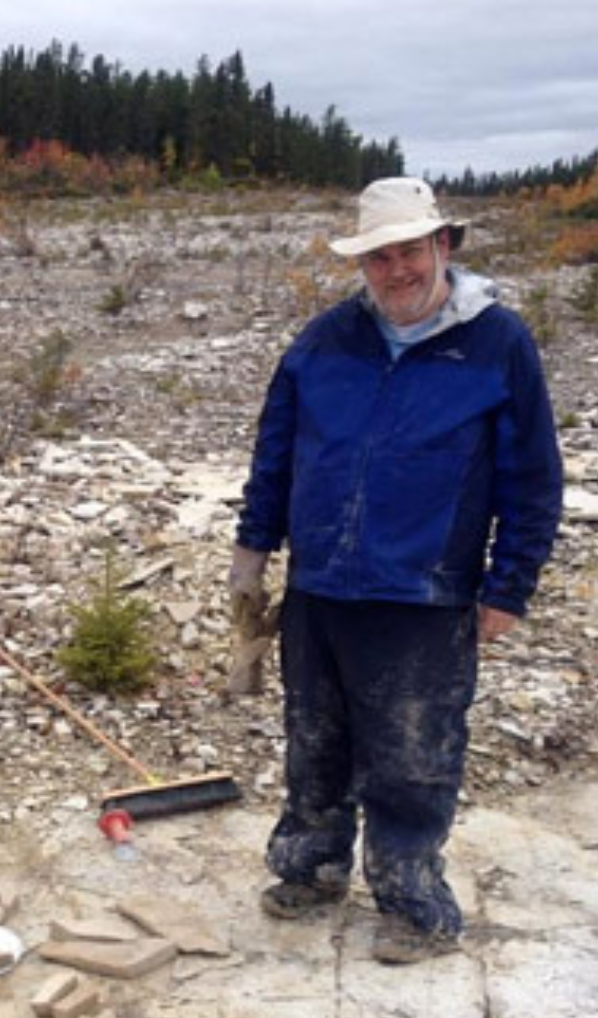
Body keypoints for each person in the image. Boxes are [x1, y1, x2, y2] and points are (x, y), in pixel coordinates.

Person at [230, 178, 563, 964]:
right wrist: (253, 551)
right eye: (379, 256)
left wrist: (509, 585)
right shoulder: (324, 340)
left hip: (425, 592)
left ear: (443, 246)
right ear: (363, 263)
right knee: (315, 742)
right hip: (321, 587)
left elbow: (532, 478)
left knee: (413, 759)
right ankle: (311, 868)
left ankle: (415, 906)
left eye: (410, 250)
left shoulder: (498, 344)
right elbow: (275, 449)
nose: (396, 270)